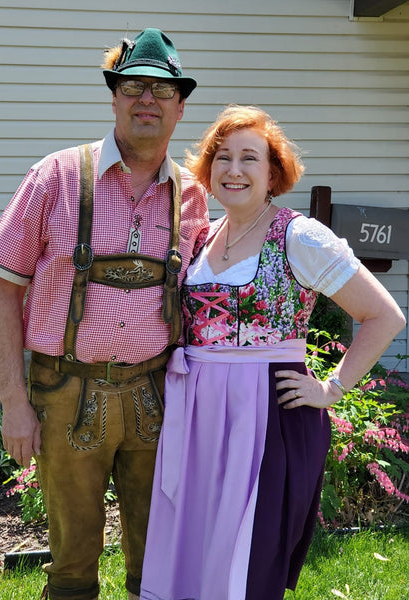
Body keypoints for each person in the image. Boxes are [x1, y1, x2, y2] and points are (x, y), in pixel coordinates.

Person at [0, 29, 209, 600]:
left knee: (157, 561)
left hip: (158, 394)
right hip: (66, 393)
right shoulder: (54, 176)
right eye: (133, 86)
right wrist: (13, 404)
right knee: (73, 566)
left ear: (180, 105)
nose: (147, 99)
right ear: (114, 97)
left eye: (162, 89)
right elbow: (2, 291)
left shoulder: (194, 196)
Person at [139, 104, 406, 600]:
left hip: (265, 415)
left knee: (249, 557)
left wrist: (332, 387)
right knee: (195, 545)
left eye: (249, 158)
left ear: (273, 171)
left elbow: (385, 316)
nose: (233, 170)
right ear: (208, 168)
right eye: (222, 157)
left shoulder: (299, 236)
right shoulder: (202, 236)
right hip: (197, 415)